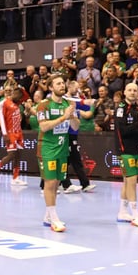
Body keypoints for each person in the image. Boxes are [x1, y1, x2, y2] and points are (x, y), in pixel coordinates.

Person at [36, 76, 81, 232]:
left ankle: (48, 216)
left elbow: (75, 127)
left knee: (56, 184)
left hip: (62, 149)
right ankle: (54, 218)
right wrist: (63, 117)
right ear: (50, 87)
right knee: (49, 183)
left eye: (63, 83)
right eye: (58, 83)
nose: (62, 85)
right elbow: (44, 127)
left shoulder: (68, 104)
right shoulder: (44, 105)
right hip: (47, 149)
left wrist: (72, 115)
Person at [115, 82, 138, 227]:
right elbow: (122, 130)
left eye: (135, 90)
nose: (132, 92)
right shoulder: (120, 109)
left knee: (127, 180)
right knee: (132, 181)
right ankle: (136, 214)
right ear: (124, 92)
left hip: (137, 148)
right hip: (125, 150)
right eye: (129, 90)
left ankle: (122, 212)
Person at [0, 85, 29, 186]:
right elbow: (1, 118)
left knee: (19, 155)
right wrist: (4, 133)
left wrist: (20, 89)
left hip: (18, 132)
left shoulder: (17, 102)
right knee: (12, 154)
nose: (21, 99)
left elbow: (26, 96)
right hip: (10, 133)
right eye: (19, 96)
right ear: (13, 94)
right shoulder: (4, 102)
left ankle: (15, 178)